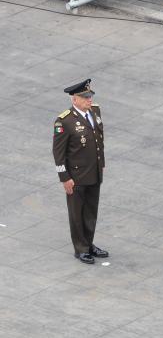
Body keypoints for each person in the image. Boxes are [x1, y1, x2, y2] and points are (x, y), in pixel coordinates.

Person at [52, 79, 108, 265]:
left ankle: (89, 243)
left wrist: (102, 164)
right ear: (74, 99)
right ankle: (81, 248)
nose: (89, 99)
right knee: (77, 213)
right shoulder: (64, 121)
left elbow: (98, 139)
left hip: (94, 172)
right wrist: (64, 177)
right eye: (85, 97)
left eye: (90, 96)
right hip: (75, 177)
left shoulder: (95, 111)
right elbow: (58, 153)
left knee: (91, 211)